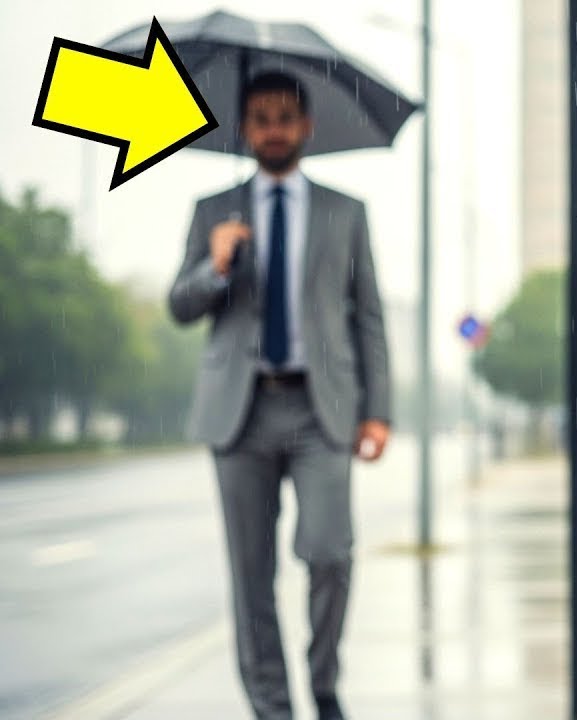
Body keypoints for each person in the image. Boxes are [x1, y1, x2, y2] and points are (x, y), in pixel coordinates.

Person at [168, 71, 391, 720]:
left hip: (321, 410)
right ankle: (272, 708)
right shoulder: (215, 211)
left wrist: (377, 410)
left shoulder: (345, 211)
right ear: (245, 128)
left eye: (284, 116)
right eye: (260, 117)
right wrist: (213, 268)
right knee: (251, 577)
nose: (273, 128)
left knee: (329, 552)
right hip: (239, 412)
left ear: (306, 126)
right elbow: (180, 306)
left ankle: (323, 683)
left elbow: (368, 315)